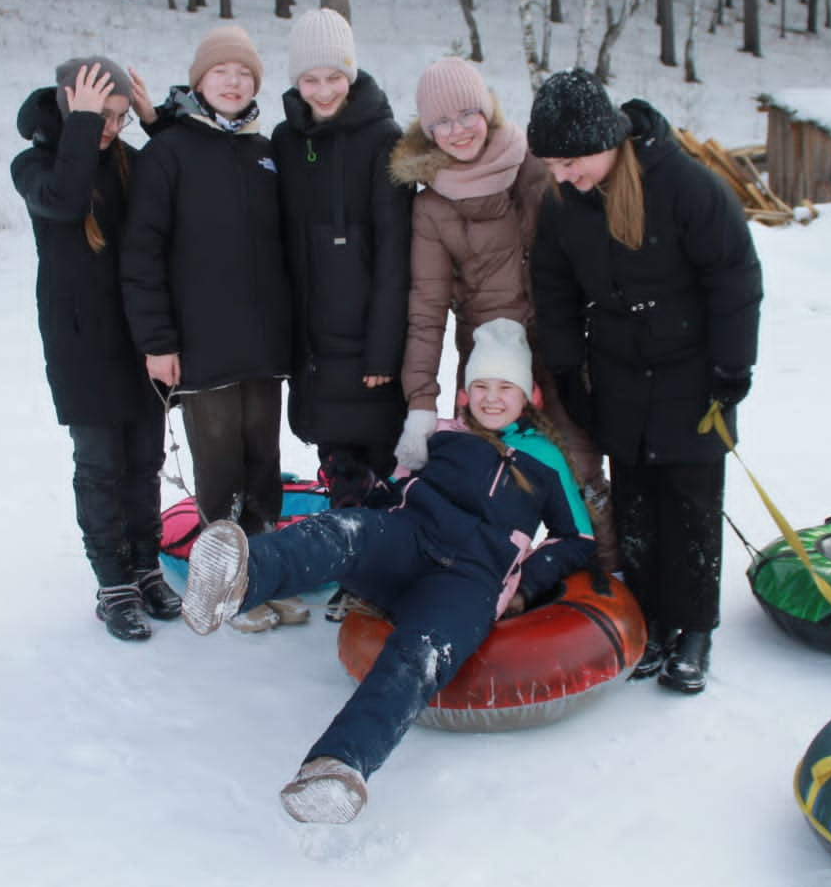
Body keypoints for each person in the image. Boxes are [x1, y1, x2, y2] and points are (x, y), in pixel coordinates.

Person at [180, 319, 596, 824]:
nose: (490, 398)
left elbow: (579, 538)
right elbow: (395, 490)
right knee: (346, 531)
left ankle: (339, 767)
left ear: (526, 395)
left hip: (470, 582)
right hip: (411, 539)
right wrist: (365, 493)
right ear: (464, 394)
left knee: (419, 656)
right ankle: (239, 580)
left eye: (503, 388)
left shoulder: (546, 460)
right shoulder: (442, 435)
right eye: (480, 386)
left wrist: (527, 586)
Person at [527, 69, 763, 695]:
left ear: (606, 142)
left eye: (571, 160)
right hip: (617, 370)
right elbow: (552, 291)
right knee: (635, 500)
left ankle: (693, 629)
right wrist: (567, 369)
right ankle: (650, 618)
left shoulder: (684, 185)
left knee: (689, 502)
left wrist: (732, 367)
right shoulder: (563, 204)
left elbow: (735, 276)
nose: (562, 174)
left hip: (693, 371)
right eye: (551, 163)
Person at [387, 57, 616, 568]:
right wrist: (422, 401)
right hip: (488, 360)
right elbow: (426, 309)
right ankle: (487, 576)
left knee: (578, 463)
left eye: (466, 114)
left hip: (556, 342)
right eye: (441, 122)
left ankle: (603, 577)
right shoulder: (432, 206)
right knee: (489, 475)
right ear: (427, 132)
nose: (457, 131)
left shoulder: (535, 166)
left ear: (487, 109)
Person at [120, 25, 299, 634]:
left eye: (245, 74)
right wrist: (158, 342)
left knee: (264, 468)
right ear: (199, 81)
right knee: (220, 472)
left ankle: (266, 579)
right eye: (221, 72)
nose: (233, 82)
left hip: (263, 347)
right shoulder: (169, 153)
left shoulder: (264, 150)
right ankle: (228, 592)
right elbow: (141, 254)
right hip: (202, 347)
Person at [10, 56, 183, 641]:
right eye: (98, 115)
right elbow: (62, 199)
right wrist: (81, 123)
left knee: (145, 464)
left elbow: (186, 182)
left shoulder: (131, 164)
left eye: (116, 116)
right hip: (80, 346)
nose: (109, 127)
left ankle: (145, 567)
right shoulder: (32, 165)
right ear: (67, 104)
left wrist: (153, 121)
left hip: (139, 341)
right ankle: (113, 584)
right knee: (101, 468)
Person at [272, 8, 410, 510]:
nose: (324, 90)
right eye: (311, 79)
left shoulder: (383, 140)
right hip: (313, 348)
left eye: (334, 77)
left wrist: (383, 349)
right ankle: (346, 566)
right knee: (337, 470)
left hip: (367, 351)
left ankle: (384, 569)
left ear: (350, 75)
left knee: (380, 473)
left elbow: (396, 253)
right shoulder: (287, 142)